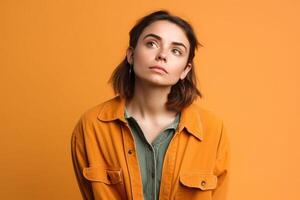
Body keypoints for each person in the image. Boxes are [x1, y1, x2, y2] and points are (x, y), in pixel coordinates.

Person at [71, 10, 230, 200]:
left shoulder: (212, 129)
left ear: (185, 70)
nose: (162, 55)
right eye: (152, 44)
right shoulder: (92, 126)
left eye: (176, 51)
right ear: (131, 55)